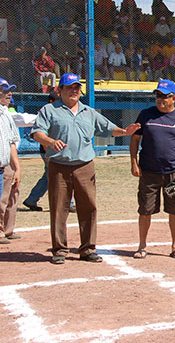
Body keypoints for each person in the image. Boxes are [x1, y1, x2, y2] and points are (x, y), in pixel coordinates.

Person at [31, 73, 141, 265]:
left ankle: (88, 249)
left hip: (84, 166)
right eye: (69, 87)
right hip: (59, 166)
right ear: (60, 90)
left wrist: (124, 132)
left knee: (89, 207)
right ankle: (59, 250)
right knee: (58, 208)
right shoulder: (49, 110)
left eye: (76, 87)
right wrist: (50, 141)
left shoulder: (88, 112)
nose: (74, 91)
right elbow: (37, 132)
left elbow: (107, 128)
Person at [130, 79, 175, 259]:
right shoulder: (145, 115)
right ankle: (142, 245)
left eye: (164, 96)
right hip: (148, 172)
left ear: (173, 98)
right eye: (157, 95)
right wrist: (134, 163)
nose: (160, 99)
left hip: (174, 173)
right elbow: (135, 139)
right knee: (145, 210)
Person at [0, 78, 22, 244]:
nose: (9, 93)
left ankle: (7, 229)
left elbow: (12, 143)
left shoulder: (6, 114)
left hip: (5, 164)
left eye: (9, 90)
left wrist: (17, 168)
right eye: (5, 90)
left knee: (11, 195)